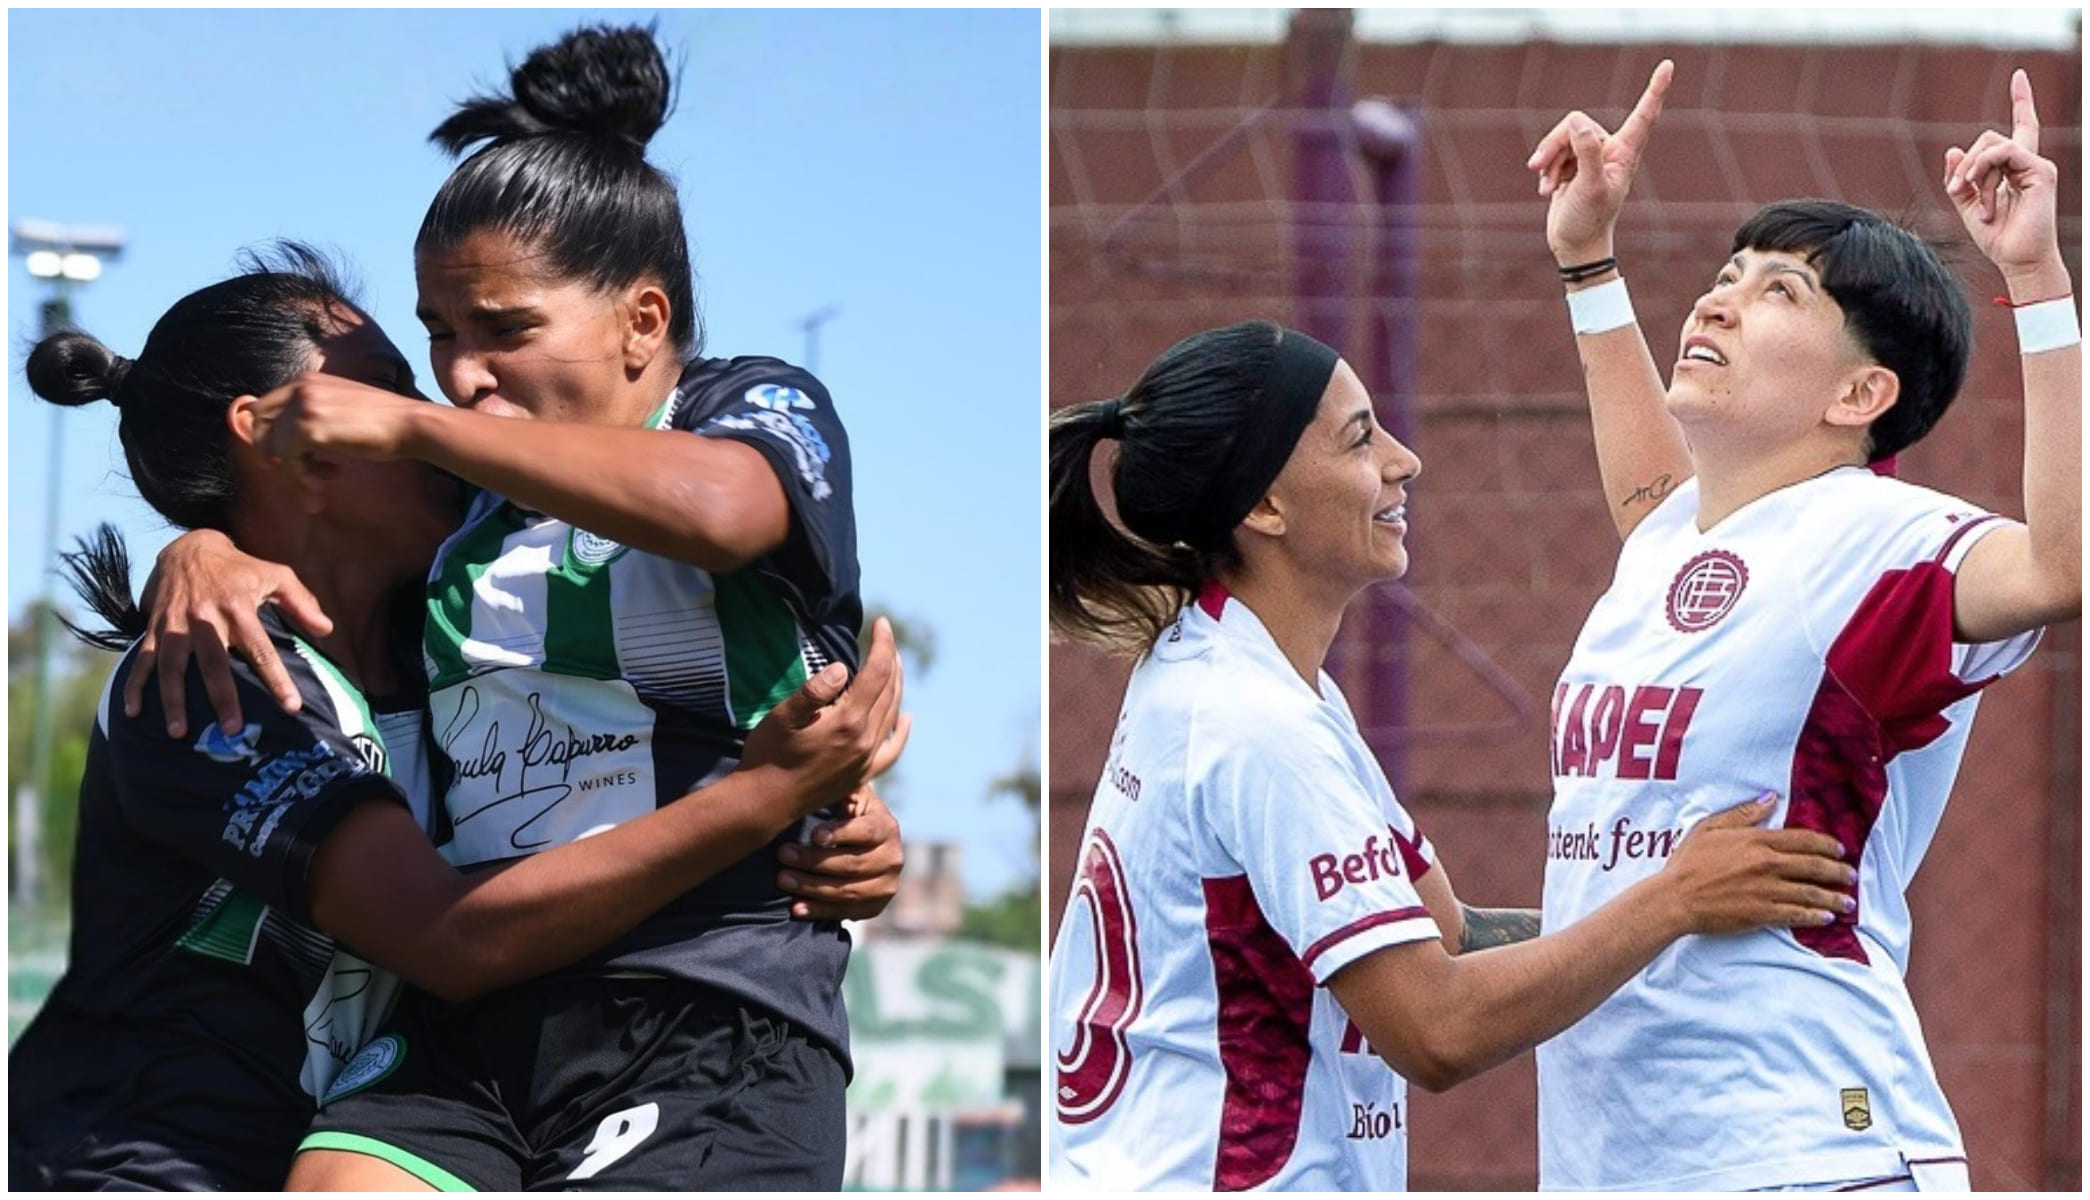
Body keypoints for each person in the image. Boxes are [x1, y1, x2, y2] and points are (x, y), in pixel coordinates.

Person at [136, 25, 898, 1191]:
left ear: (642, 322)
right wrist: (195, 550)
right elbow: (313, 537)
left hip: (707, 1011)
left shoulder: (743, 410)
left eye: (504, 330)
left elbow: (721, 514)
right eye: (439, 335)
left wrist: (415, 423)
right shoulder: (468, 505)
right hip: (473, 1018)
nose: (461, 374)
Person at [1045, 320, 1857, 1190]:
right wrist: (1675, 900)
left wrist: (1702, 919)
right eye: (1360, 439)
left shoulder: (1237, 669)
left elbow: (1451, 933)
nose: (1405, 461)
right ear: (1265, 507)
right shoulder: (1256, 725)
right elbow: (1436, 1031)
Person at [1522, 62, 2077, 1190]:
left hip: (1805, 1144)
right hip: (1618, 1156)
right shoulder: (1672, 541)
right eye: (1726, 274)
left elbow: (2061, 567)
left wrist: (2034, 277)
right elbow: (1651, 496)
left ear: (1859, 396)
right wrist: (1587, 259)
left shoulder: (1877, 538)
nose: (1717, 300)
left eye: (1778, 292)